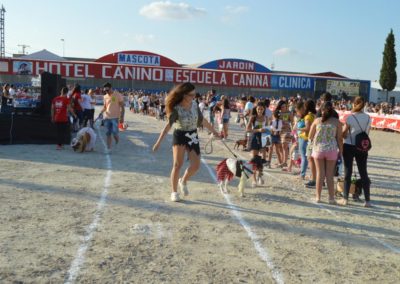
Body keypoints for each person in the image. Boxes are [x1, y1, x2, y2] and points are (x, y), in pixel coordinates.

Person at [152, 83, 219, 202]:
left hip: (193, 135)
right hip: (180, 135)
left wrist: (214, 131)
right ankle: (174, 192)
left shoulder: (194, 105)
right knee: (177, 165)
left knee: (196, 165)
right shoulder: (176, 109)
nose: (194, 96)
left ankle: (183, 180)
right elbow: (168, 126)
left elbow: (202, 120)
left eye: (194, 94)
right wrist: (158, 143)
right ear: (184, 95)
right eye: (191, 94)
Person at [338, 96, 372, 207]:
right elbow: (367, 132)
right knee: (364, 173)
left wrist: (345, 134)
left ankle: (345, 199)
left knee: (348, 173)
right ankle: (367, 200)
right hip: (362, 146)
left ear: (354, 104)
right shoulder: (368, 118)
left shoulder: (350, 118)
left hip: (349, 145)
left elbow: (343, 134)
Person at [309, 102, 343, 204]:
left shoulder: (317, 121)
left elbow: (310, 136)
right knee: (329, 175)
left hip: (318, 149)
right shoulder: (337, 122)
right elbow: (340, 139)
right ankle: (331, 198)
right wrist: (341, 150)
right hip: (332, 149)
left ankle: (318, 197)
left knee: (320, 174)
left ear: (321, 110)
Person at [246, 102, 269, 187]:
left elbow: (268, 129)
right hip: (254, 138)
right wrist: (258, 130)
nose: (260, 110)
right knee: (254, 159)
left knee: (262, 159)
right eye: (258, 109)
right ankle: (254, 180)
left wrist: (269, 131)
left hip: (263, 138)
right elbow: (247, 129)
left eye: (261, 109)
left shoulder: (266, 118)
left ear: (264, 109)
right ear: (256, 109)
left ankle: (260, 174)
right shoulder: (253, 117)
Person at [99, 82, 125, 152]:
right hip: (107, 117)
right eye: (105, 91)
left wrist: (122, 117)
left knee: (115, 133)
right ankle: (108, 148)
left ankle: (117, 141)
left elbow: (122, 107)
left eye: (107, 90)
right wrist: (101, 112)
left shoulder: (117, 95)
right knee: (108, 133)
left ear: (111, 88)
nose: (106, 92)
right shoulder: (105, 97)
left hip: (115, 118)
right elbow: (105, 107)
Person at [298, 100, 317, 181]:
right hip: (311, 138)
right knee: (309, 158)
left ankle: (302, 174)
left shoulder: (308, 116)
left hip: (305, 138)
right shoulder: (314, 115)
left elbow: (307, 128)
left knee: (304, 157)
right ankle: (311, 175)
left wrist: (298, 128)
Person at [275, 100, 294, 167]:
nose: (283, 108)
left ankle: (284, 162)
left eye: (284, 106)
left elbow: (292, 122)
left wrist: (293, 132)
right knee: (280, 147)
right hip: (280, 131)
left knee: (284, 145)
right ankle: (283, 161)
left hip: (287, 131)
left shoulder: (289, 113)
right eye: (282, 107)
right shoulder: (278, 113)